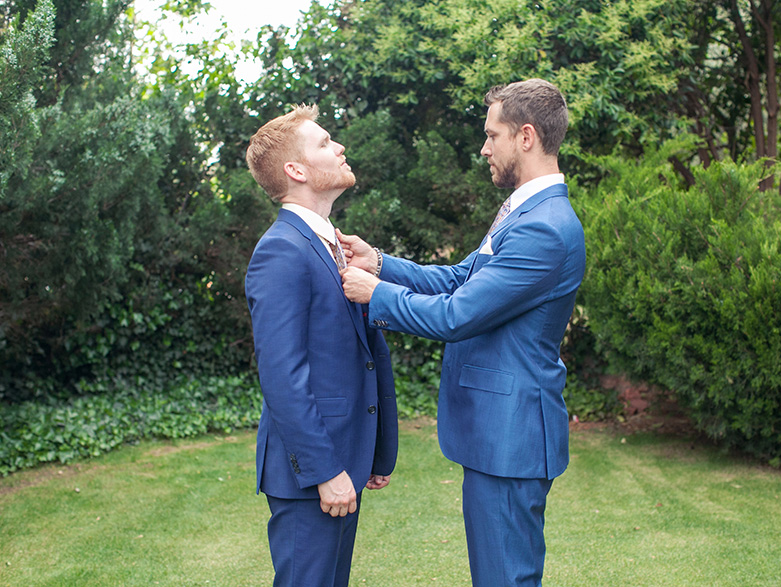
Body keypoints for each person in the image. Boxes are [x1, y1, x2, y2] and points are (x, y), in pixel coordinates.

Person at [339, 79, 585, 587]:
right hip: (500, 433)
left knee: (505, 580)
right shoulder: (525, 212)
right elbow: (459, 279)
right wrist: (381, 263)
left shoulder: (545, 227)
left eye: (492, 135)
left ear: (526, 137)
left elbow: (457, 315)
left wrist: (374, 293)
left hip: (511, 435)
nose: (484, 147)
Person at [244, 104, 398, 587]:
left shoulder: (336, 244)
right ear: (296, 170)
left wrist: (375, 452)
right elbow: (282, 376)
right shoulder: (280, 250)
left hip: (346, 458)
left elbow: (363, 354)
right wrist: (325, 471)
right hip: (313, 472)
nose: (340, 147)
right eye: (326, 142)